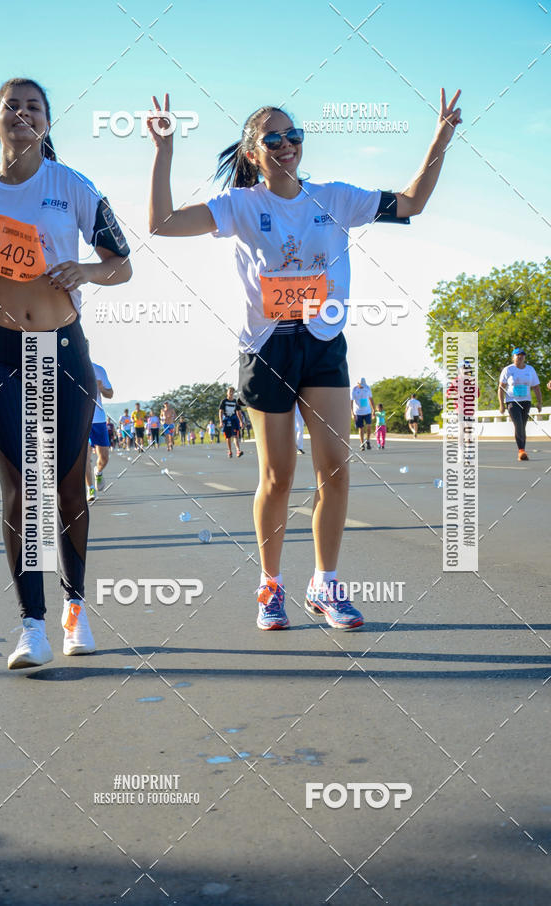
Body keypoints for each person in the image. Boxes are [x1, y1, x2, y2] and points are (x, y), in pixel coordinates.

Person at [147, 87, 461, 630]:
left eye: (294, 135)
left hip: (322, 341)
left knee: (335, 469)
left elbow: (411, 202)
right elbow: (162, 223)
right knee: (278, 478)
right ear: (252, 153)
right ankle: (271, 586)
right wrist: (164, 151)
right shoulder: (242, 206)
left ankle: (326, 582)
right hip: (267, 346)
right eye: (273, 138)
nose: (287, 144)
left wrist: (440, 138)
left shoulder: (335, 197)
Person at [0, 76, 132, 669]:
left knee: (66, 483)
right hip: (0, 350)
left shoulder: (72, 185)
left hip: (63, 350)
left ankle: (75, 606)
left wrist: (84, 270)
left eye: (34, 107)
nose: (23, 113)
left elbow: (121, 265)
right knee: (20, 489)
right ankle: (32, 624)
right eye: (13, 106)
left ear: (47, 123)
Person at [498, 348, 542, 461]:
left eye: (522, 355)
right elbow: (501, 388)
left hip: (526, 401)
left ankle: (522, 449)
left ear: (524, 357)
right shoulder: (508, 370)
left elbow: (536, 387)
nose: (520, 357)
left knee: (523, 425)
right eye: (517, 355)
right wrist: (501, 404)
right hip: (512, 401)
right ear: (513, 357)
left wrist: (539, 402)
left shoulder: (530, 369)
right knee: (518, 424)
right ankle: (521, 451)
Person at [86, 357, 113, 502]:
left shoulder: (98, 369)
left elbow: (110, 394)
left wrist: (101, 388)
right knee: (85, 456)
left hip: (99, 419)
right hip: (82, 419)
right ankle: (90, 488)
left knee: (104, 457)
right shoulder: (70, 368)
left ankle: (99, 471)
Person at [219, 386, 244, 458]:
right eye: (230, 392)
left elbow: (238, 412)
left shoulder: (236, 402)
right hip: (226, 420)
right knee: (228, 437)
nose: (231, 393)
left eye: (232, 392)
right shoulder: (224, 401)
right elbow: (220, 411)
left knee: (235, 436)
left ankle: (238, 450)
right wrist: (221, 421)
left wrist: (241, 421)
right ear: (227, 393)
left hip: (234, 420)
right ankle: (230, 451)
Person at [351, 378, 375, 451]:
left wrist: (373, 410)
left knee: (369, 426)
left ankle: (368, 441)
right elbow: (351, 402)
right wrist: (352, 413)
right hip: (358, 412)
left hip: (367, 411)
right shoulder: (354, 390)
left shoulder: (367, 388)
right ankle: (362, 444)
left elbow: (371, 399)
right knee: (361, 428)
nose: (362, 386)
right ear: (358, 383)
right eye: (361, 385)